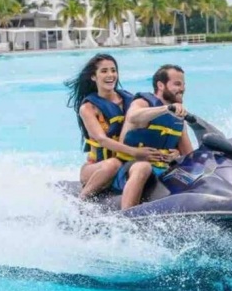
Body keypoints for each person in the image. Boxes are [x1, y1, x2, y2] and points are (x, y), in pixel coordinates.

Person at [65, 53, 163, 200]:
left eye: (113, 70)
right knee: (113, 164)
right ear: (94, 77)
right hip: (97, 167)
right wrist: (135, 152)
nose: (110, 75)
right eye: (104, 71)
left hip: (128, 162)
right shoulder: (88, 108)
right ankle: (82, 202)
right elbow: (102, 140)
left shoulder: (131, 100)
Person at [114, 64, 194, 210]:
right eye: (177, 84)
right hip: (130, 167)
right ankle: (125, 217)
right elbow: (132, 116)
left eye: (183, 84)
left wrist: (176, 156)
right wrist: (166, 109)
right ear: (160, 85)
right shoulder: (143, 103)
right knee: (143, 167)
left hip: (162, 170)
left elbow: (189, 156)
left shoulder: (178, 118)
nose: (182, 89)